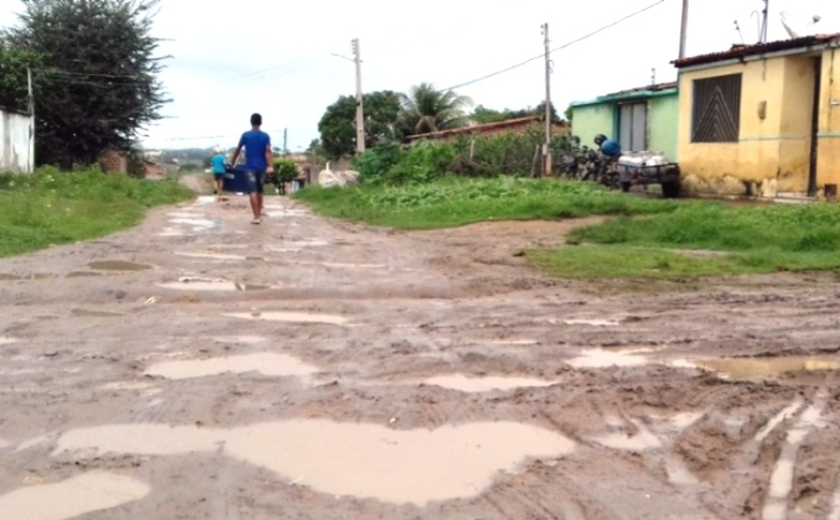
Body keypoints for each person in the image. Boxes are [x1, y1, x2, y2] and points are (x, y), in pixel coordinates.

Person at [230, 113, 273, 224]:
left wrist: (232, 161)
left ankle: (256, 217)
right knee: (259, 190)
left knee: (252, 191)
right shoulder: (265, 136)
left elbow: (238, 149)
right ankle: (259, 213)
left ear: (251, 122)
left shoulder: (246, 135)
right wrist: (270, 166)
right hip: (262, 167)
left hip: (250, 168)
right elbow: (267, 151)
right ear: (261, 122)